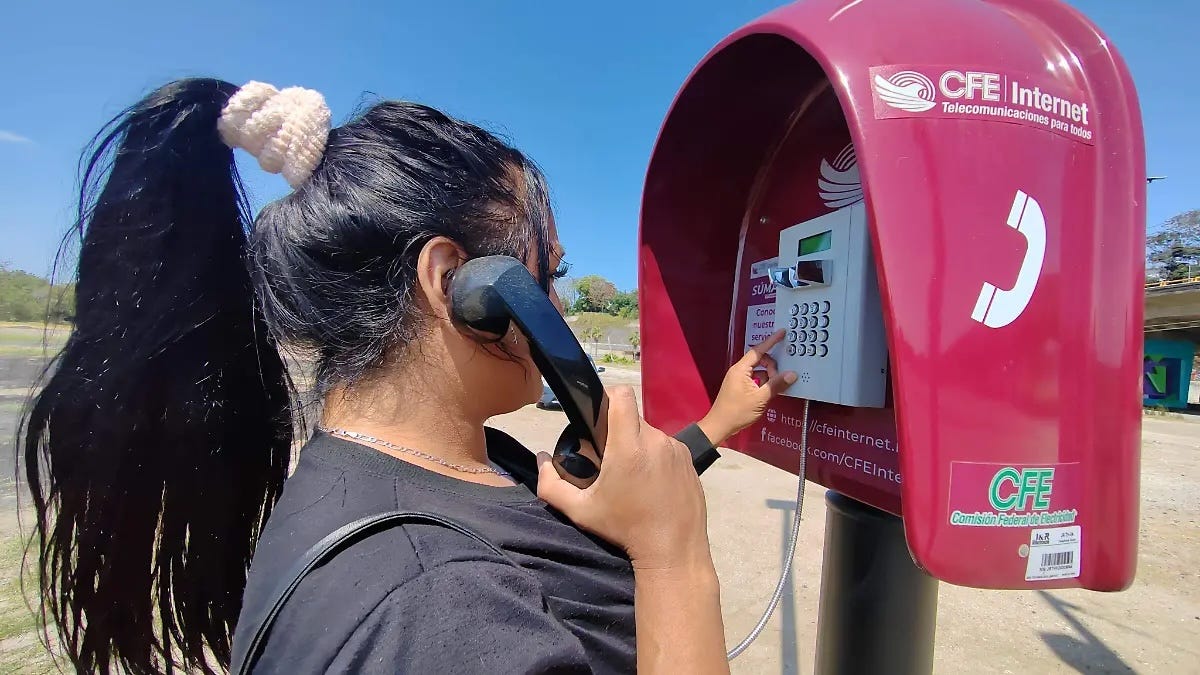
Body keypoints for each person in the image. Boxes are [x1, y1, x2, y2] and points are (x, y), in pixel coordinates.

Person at [19, 78, 796, 675]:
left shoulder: (460, 464)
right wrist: (675, 558)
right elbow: (646, 533)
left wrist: (720, 421)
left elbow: (617, 497)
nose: (556, 304)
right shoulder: (429, 609)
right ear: (462, 285)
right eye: (546, 275)